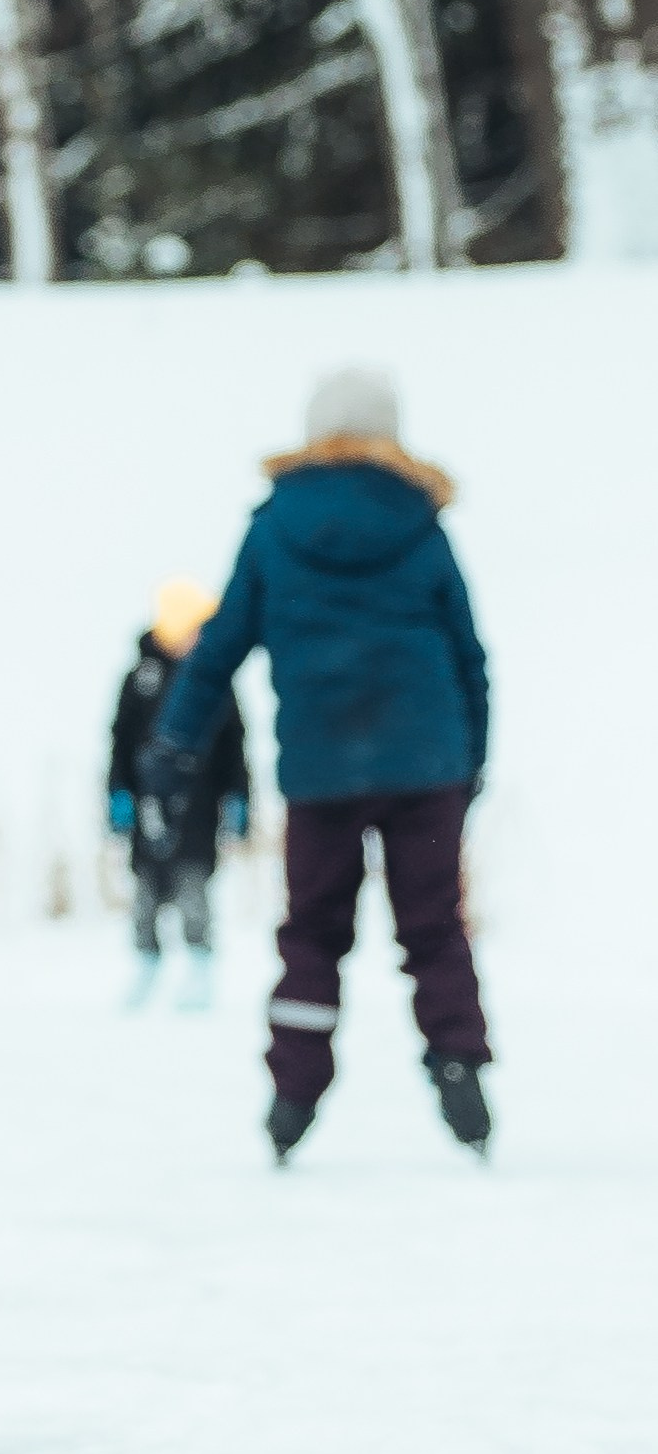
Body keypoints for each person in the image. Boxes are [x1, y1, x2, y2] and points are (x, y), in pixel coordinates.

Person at [147, 365, 493, 1165]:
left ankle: (293, 1096)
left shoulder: (275, 527)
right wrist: (470, 761)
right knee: (435, 929)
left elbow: (217, 650)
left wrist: (173, 746)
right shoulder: (424, 525)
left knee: (312, 933)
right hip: (425, 764)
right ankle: (461, 1069)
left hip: (321, 768)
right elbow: (470, 655)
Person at [106, 576, 249, 1010]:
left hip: (200, 808)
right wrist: (118, 794)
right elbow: (119, 742)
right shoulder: (139, 679)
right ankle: (146, 966)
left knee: (193, 889)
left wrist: (239, 799)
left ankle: (200, 968)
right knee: (147, 892)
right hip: (148, 807)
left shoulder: (216, 680)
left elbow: (235, 748)